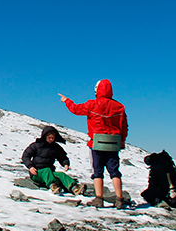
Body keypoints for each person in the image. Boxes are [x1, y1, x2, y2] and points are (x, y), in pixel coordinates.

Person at [59, 79, 128, 209]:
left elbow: (76, 109)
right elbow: (124, 126)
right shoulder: (120, 107)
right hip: (114, 143)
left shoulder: (92, 104)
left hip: (97, 143)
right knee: (114, 171)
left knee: (98, 171)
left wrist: (66, 101)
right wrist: (122, 140)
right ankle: (119, 199)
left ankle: (99, 198)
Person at [21, 125, 86, 195]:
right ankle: (53, 186)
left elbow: (62, 157)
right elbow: (25, 156)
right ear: (45, 136)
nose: (51, 139)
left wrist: (65, 164)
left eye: (53, 138)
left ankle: (74, 188)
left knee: (61, 175)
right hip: (36, 173)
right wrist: (30, 167)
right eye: (49, 137)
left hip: (50, 173)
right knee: (47, 170)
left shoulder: (55, 147)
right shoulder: (36, 145)